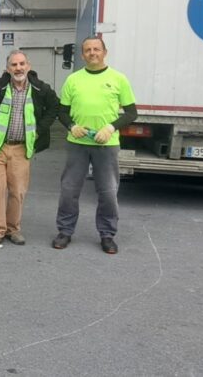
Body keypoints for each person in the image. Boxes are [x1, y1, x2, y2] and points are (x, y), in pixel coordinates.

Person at [52, 36, 137, 255]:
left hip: (106, 144)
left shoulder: (118, 79)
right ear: (82, 55)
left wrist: (110, 127)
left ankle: (107, 234)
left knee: (108, 191)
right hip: (77, 144)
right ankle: (65, 231)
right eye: (88, 50)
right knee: (69, 190)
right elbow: (62, 111)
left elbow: (131, 113)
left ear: (104, 52)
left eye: (96, 49)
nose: (92, 53)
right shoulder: (73, 80)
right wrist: (71, 126)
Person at [0, 50, 58, 250]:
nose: (18, 68)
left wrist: (39, 129)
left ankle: (13, 229)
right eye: (14, 65)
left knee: (17, 192)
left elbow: (55, 107)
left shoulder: (40, 89)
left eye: (22, 64)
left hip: (21, 148)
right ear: (8, 69)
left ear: (28, 66)